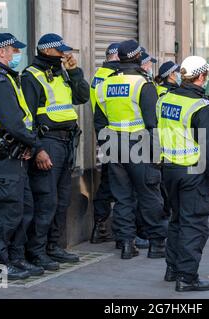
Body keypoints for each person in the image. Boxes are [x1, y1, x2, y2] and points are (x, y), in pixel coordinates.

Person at [0, 33, 44, 280]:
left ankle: (16, 257)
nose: (17, 55)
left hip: (12, 151)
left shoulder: (2, 77)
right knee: (7, 209)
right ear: (1, 52)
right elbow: (12, 122)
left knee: (23, 206)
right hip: (1, 152)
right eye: (14, 50)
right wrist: (35, 144)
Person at [94, 40, 168, 260]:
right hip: (139, 145)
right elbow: (153, 123)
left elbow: (99, 121)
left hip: (114, 145)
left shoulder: (105, 84)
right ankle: (157, 244)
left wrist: (106, 146)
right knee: (149, 195)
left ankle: (127, 244)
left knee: (122, 198)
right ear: (137, 57)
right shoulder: (143, 84)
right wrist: (157, 154)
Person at [158, 55, 209, 292]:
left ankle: (173, 269)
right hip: (193, 171)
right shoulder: (201, 107)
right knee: (194, 224)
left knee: (177, 219)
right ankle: (187, 277)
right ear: (200, 76)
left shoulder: (165, 99)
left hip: (169, 169)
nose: (207, 77)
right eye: (206, 74)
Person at [21, 33, 90, 270]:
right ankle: (37, 251)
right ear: (48, 51)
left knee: (61, 200)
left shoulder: (61, 72)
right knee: (46, 199)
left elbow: (82, 97)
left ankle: (53, 246)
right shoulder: (31, 76)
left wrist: (75, 71)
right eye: (60, 51)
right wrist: (37, 148)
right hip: (47, 141)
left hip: (66, 142)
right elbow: (26, 117)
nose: (64, 54)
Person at [90, 43, 120, 244]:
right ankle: (111, 229)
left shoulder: (98, 75)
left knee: (109, 180)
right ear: (117, 57)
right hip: (115, 133)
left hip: (103, 132)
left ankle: (101, 226)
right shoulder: (113, 78)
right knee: (117, 182)